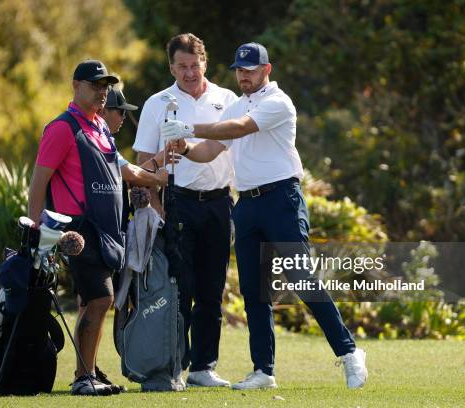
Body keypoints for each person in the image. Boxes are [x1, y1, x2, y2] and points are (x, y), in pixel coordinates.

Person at [161, 43, 368, 390]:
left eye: (250, 69)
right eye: (239, 69)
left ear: (266, 70)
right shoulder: (237, 104)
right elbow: (211, 150)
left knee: (300, 277)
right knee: (254, 291)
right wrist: (184, 147)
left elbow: (239, 128)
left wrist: (189, 128)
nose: (244, 75)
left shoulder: (278, 102)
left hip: (281, 199)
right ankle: (263, 371)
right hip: (247, 204)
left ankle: (349, 352)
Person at [28, 59, 169, 396]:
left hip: (106, 232)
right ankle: (82, 378)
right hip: (77, 232)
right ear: (76, 86)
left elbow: (122, 170)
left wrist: (156, 177)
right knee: (100, 298)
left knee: (95, 301)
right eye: (95, 85)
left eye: (106, 87)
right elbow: (38, 184)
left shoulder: (100, 128)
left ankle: (88, 371)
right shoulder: (62, 128)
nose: (103, 92)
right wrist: (38, 234)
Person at [132, 33, 238, 387]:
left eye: (195, 65)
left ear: (205, 62)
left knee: (212, 289)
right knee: (180, 289)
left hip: (219, 204)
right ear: (171, 68)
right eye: (182, 67)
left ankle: (204, 367)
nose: (190, 73)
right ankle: (174, 365)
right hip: (178, 205)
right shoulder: (157, 103)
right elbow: (142, 165)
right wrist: (158, 209)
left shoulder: (228, 99)